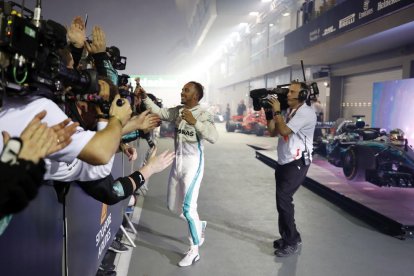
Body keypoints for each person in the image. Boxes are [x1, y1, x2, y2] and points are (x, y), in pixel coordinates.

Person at [136, 80, 218, 267]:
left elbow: (213, 137)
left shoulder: (204, 113)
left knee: (189, 209)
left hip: (192, 164)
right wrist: (145, 96)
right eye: (182, 89)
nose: (182, 92)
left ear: (195, 96)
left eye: (186, 90)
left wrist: (195, 122)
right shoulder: (178, 110)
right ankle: (199, 225)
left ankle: (194, 250)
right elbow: (160, 112)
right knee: (173, 207)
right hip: (177, 163)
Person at [266, 81, 316, 257]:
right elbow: (273, 132)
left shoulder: (306, 113)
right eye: (288, 91)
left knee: (284, 200)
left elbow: (284, 131)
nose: (287, 94)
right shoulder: (290, 111)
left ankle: (291, 241)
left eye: (292, 92)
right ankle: (291, 236)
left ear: (302, 96)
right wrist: (269, 112)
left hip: (297, 162)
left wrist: (278, 111)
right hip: (285, 161)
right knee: (282, 201)